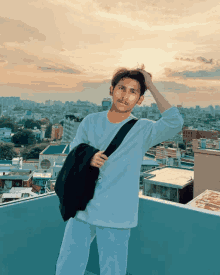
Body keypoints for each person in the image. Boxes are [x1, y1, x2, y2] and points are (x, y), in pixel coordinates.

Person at [55, 64, 184, 275]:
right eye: (121, 88)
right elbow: (74, 150)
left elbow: (174, 122)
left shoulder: (143, 129)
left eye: (133, 91)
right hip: (83, 206)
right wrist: (89, 156)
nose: (125, 96)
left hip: (117, 212)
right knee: (67, 265)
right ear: (111, 90)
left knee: (112, 270)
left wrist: (150, 84)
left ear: (140, 99)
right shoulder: (91, 121)